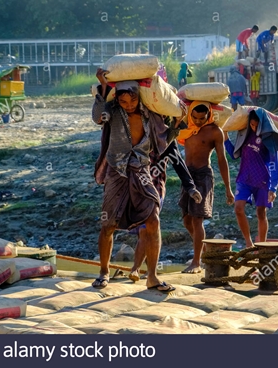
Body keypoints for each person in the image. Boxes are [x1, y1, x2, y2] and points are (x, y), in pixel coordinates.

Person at [92, 68, 182, 292]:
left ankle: (152, 276)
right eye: (124, 102)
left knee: (153, 220)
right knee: (108, 224)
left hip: (142, 170)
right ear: (118, 100)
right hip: (117, 171)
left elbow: (163, 138)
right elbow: (97, 117)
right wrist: (103, 87)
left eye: (132, 101)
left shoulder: (150, 114)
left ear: (138, 97)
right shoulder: (111, 110)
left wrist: (177, 125)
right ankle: (104, 272)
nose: (128, 105)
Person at [127, 139, 202, 282]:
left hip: (155, 188)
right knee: (145, 229)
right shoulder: (139, 135)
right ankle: (148, 271)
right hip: (137, 189)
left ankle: (136, 269)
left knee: (145, 228)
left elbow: (178, 163)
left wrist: (191, 187)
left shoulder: (165, 138)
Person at [177, 101, 235, 273]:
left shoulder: (215, 132)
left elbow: (222, 160)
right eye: (195, 117)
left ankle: (196, 262)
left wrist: (228, 188)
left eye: (202, 118)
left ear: (208, 115)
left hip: (203, 176)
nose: (199, 121)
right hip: (187, 176)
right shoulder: (185, 128)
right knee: (187, 220)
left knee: (197, 219)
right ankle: (203, 254)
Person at [223, 108, 278, 248]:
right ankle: (249, 243)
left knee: (261, 213)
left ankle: (261, 245)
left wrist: (273, 187)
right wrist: (225, 135)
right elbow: (233, 154)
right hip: (244, 178)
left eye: (257, 125)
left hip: (262, 180)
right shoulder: (244, 136)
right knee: (238, 208)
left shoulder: (268, 139)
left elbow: (274, 164)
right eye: (252, 125)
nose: (254, 128)